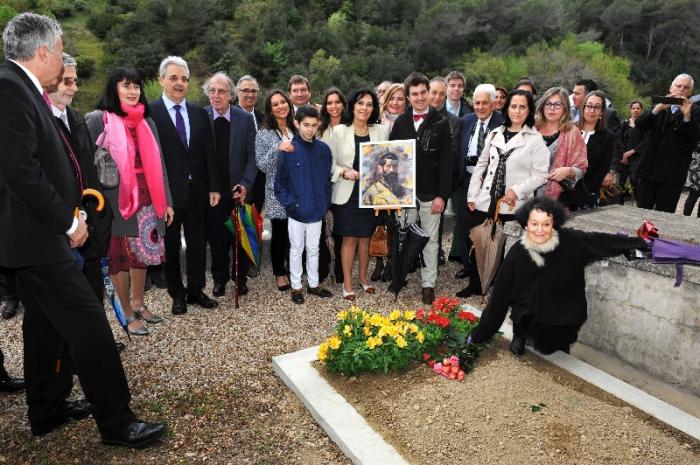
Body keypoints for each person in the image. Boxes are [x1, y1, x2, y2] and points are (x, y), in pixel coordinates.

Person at [0, 12, 164, 446]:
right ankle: (117, 421)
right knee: (90, 326)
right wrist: (68, 220)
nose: (60, 58)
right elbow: (20, 170)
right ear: (42, 51)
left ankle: (47, 410)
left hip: (32, 239)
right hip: (40, 236)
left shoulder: (23, 90)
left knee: (42, 327)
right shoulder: (9, 87)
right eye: (58, 49)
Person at [469, 197, 647, 355]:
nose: (540, 230)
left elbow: (602, 241)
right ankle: (520, 334)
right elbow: (499, 298)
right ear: (525, 225)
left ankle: (559, 342)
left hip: (563, 313)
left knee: (554, 346)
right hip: (529, 313)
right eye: (534, 224)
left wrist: (638, 243)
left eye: (546, 224)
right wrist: (478, 336)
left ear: (554, 224)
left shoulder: (572, 240)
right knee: (525, 315)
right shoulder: (517, 254)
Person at [86, 67, 173, 336]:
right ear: (114, 89)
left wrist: (167, 201)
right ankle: (125, 311)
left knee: (143, 254)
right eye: (126, 85)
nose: (133, 91)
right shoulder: (98, 120)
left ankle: (138, 303)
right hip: (118, 201)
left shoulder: (147, 121)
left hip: (149, 198)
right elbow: (88, 167)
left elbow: (160, 164)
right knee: (121, 258)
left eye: (136, 86)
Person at [458, 89, 549, 298]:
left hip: (514, 204)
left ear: (529, 110)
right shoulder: (495, 133)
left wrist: (516, 190)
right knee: (477, 242)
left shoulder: (535, 140)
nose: (517, 111)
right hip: (485, 200)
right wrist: (472, 196)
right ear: (507, 108)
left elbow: (541, 175)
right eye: (513, 106)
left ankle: (501, 290)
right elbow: (481, 165)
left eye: (522, 107)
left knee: (506, 250)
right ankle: (475, 283)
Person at [149, 56, 221, 315]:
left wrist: (214, 186)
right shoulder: (150, 113)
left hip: (198, 192)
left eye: (184, 79)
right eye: (173, 78)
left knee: (198, 242)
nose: (179, 83)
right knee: (170, 245)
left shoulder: (199, 113)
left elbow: (209, 153)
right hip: (167, 194)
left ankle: (195, 290)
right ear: (161, 81)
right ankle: (176, 294)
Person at [49, 53, 113, 304]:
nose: (74, 88)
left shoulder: (77, 118)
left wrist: (99, 215)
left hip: (88, 220)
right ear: (50, 81)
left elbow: (88, 170)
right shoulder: (39, 121)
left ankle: (94, 342)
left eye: (75, 81)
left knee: (93, 291)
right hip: (60, 226)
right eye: (67, 81)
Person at [390, 73, 452, 304]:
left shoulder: (441, 123)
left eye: (423, 92)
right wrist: (393, 193)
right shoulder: (401, 122)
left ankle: (428, 283)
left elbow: (447, 162)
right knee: (402, 236)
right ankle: (400, 276)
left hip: (430, 193)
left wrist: (442, 195)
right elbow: (391, 159)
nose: (419, 97)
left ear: (429, 92)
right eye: (414, 94)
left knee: (431, 239)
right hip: (405, 193)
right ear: (408, 96)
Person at [331, 88, 390, 300]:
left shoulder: (382, 131)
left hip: (372, 194)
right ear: (353, 106)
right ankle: (347, 281)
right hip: (347, 193)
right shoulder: (339, 131)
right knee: (349, 239)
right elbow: (331, 163)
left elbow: (389, 161)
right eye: (360, 103)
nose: (364, 108)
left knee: (365, 238)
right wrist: (343, 172)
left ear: (374, 108)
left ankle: (363, 278)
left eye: (369, 104)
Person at [203, 72, 258, 298]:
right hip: (212, 193)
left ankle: (240, 277)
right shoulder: (201, 117)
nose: (216, 95)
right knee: (216, 239)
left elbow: (252, 156)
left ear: (231, 95)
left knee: (240, 237)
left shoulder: (244, 119)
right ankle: (219, 279)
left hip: (239, 192)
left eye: (222, 91)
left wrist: (245, 184)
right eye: (212, 91)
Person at [275, 105, 334, 304]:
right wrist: (292, 204)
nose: (310, 129)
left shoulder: (324, 150)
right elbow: (280, 184)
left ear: (319, 126)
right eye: (305, 125)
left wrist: (325, 203)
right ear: (296, 124)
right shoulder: (289, 149)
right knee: (296, 248)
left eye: (314, 125)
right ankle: (296, 286)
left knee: (314, 248)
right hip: (297, 211)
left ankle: (314, 284)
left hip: (317, 210)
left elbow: (327, 180)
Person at [451, 84, 504, 278]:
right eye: (477, 103)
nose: (480, 107)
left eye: (485, 103)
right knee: (464, 226)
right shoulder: (465, 121)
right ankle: (468, 265)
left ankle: (487, 269)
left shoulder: (503, 123)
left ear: (493, 103)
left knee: (486, 228)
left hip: (490, 186)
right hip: (466, 182)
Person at [635, 73, 700, 213]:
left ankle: (655, 235)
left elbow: (694, 137)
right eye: (678, 86)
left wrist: (687, 117)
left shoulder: (695, 111)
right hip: (649, 169)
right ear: (671, 87)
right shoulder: (659, 106)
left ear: (690, 92)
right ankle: (641, 236)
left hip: (673, 174)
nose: (681, 89)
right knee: (641, 213)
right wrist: (657, 109)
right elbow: (640, 125)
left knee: (664, 215)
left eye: (686, 87)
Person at [256, 90, 296, 292]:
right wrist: (277, 148)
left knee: (295, 233)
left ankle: (293, 268)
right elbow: (262, 165)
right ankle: (279, 273)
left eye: (283, 102)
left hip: (297, 190)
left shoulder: (296, 128)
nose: (281, 106)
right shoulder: (263, 133)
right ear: (270, 109)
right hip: (276, 191)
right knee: (279, 233)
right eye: (275, 104)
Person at [534, 87, 588, 209]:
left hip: (555, 199)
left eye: (557, 104)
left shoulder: (572, 133)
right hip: (524, 195)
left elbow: (582, 168)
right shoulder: (531, 129)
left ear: (565, 108)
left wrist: (568, 171)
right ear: (542, 106)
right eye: (548, 103)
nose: (552, 108)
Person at [429, 76, 461, 267]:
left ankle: (436, 252)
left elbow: (453, 154)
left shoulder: (454, 122)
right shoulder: (413, 115)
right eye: (434, 92)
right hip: (417, 179)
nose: (438, 97)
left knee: (437, 221)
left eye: (442, 93)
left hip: (440, 179)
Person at [318, 87, 349, 284]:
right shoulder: (319, 129)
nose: (333, 106)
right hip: (322, 185)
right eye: (329, 103)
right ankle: (323, 268)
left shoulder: (350, 127)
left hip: (344, 185)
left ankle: (339, 270)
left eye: (337, 102)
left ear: (343, 105)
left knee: (340, 230)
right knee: (322, 229)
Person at [576, 90, 616, 208]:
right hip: (562, 190)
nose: (592, 110)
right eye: (589, 106)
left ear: (602, 111)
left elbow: (602, 169)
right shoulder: (570, 130)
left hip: (587, 193)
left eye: (597, 107)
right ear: (583, 108)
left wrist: (585, 191)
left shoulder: (608, 137)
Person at [236, 75, 266, 216]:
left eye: (253, 91)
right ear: (237, 92)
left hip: (260, 182)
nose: (250, 94)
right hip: (239, 181)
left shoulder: (263, 118)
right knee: (238, 226)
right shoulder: (230, 117)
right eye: (246, 90)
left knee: (254, 223)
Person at [608, 100, 646, 203]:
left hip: (637, 157)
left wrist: (632, 151)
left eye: (638, 108)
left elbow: (646, 141)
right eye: (633, 108)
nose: (635, 110)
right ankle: (619, 204)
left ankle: (640, 204)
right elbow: (619, 140)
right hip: (624, 158)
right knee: (621, 183)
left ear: (641, 110)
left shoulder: (644, 125)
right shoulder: (624, 124)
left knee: (635, 181)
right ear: (630, 110)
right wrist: (623, 155)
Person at [683, 140, 700, 217]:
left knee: (693, 195)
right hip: (697, 167)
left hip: (696, 166)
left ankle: (685, 217)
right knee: (693, 195)